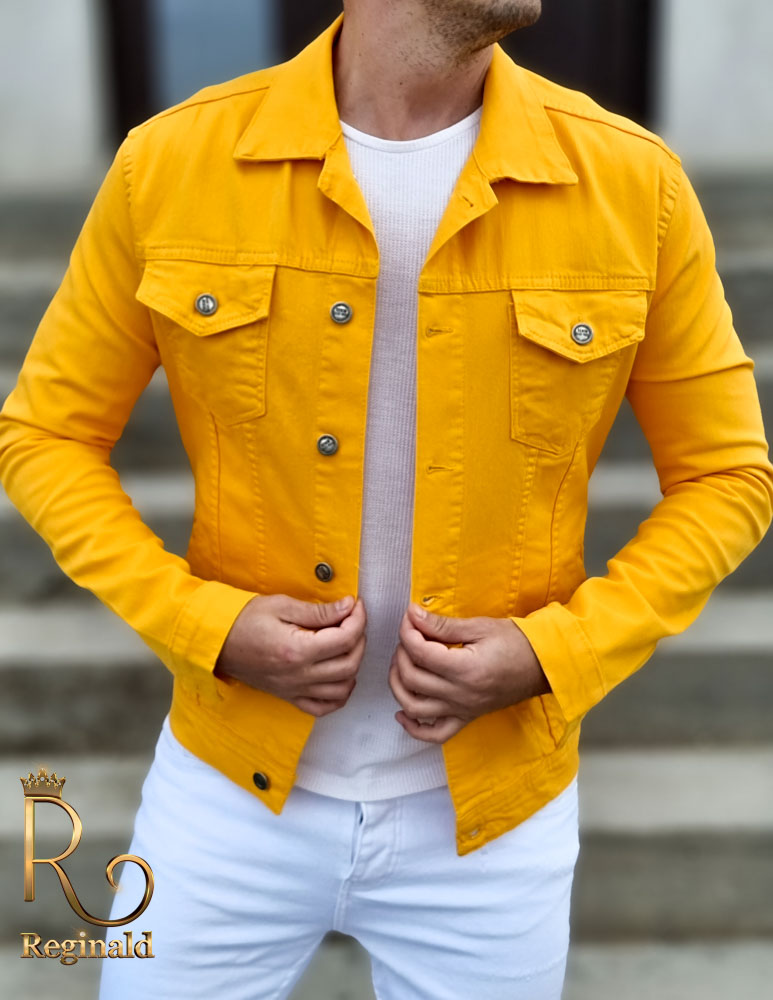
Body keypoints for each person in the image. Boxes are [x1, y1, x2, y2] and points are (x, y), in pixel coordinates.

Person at [1, 2, 771, 998]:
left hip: (492, 824)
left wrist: (555, 655)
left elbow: (727, 476)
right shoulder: (172, 163)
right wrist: (203, 626)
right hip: (226, 792)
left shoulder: (632, 182)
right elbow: (45, 435)